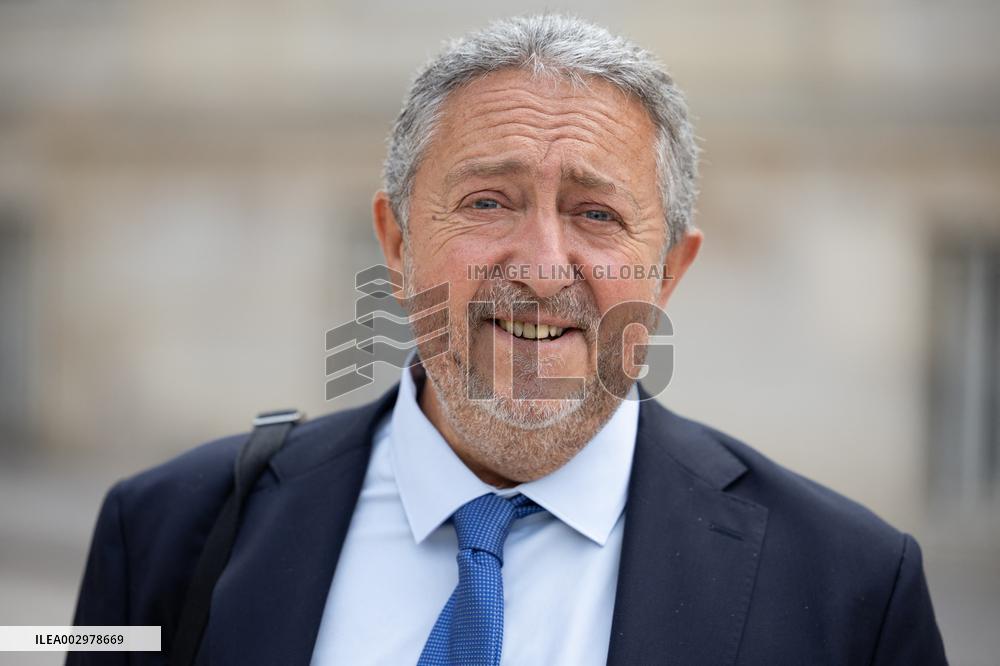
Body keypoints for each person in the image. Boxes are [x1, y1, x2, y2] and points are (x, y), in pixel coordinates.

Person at [69, 14, 948, 665]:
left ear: (668, 274)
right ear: (396, 244)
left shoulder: (851, 591)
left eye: (596, 214)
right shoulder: (163, 536)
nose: (540, 267)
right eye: (488, 202)